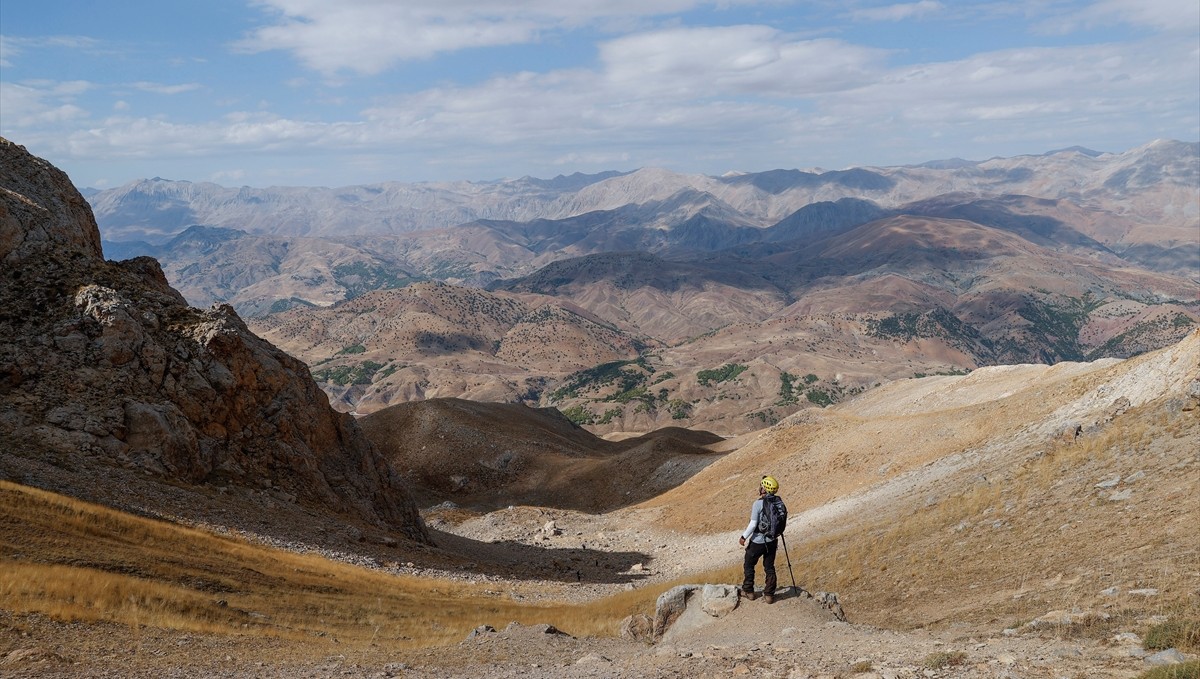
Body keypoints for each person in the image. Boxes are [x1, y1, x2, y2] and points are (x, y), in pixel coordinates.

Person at [739, 475, 780, 604]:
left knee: (749, 564)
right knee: (769, 566)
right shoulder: (778, 502)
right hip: (772, 540)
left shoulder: (758, 504)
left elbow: (753, 524)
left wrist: (743, 537)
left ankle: (748, 591)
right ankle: (769, 594)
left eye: (761, 486)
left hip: (758, 541)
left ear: (764, 489)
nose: (760, 488)